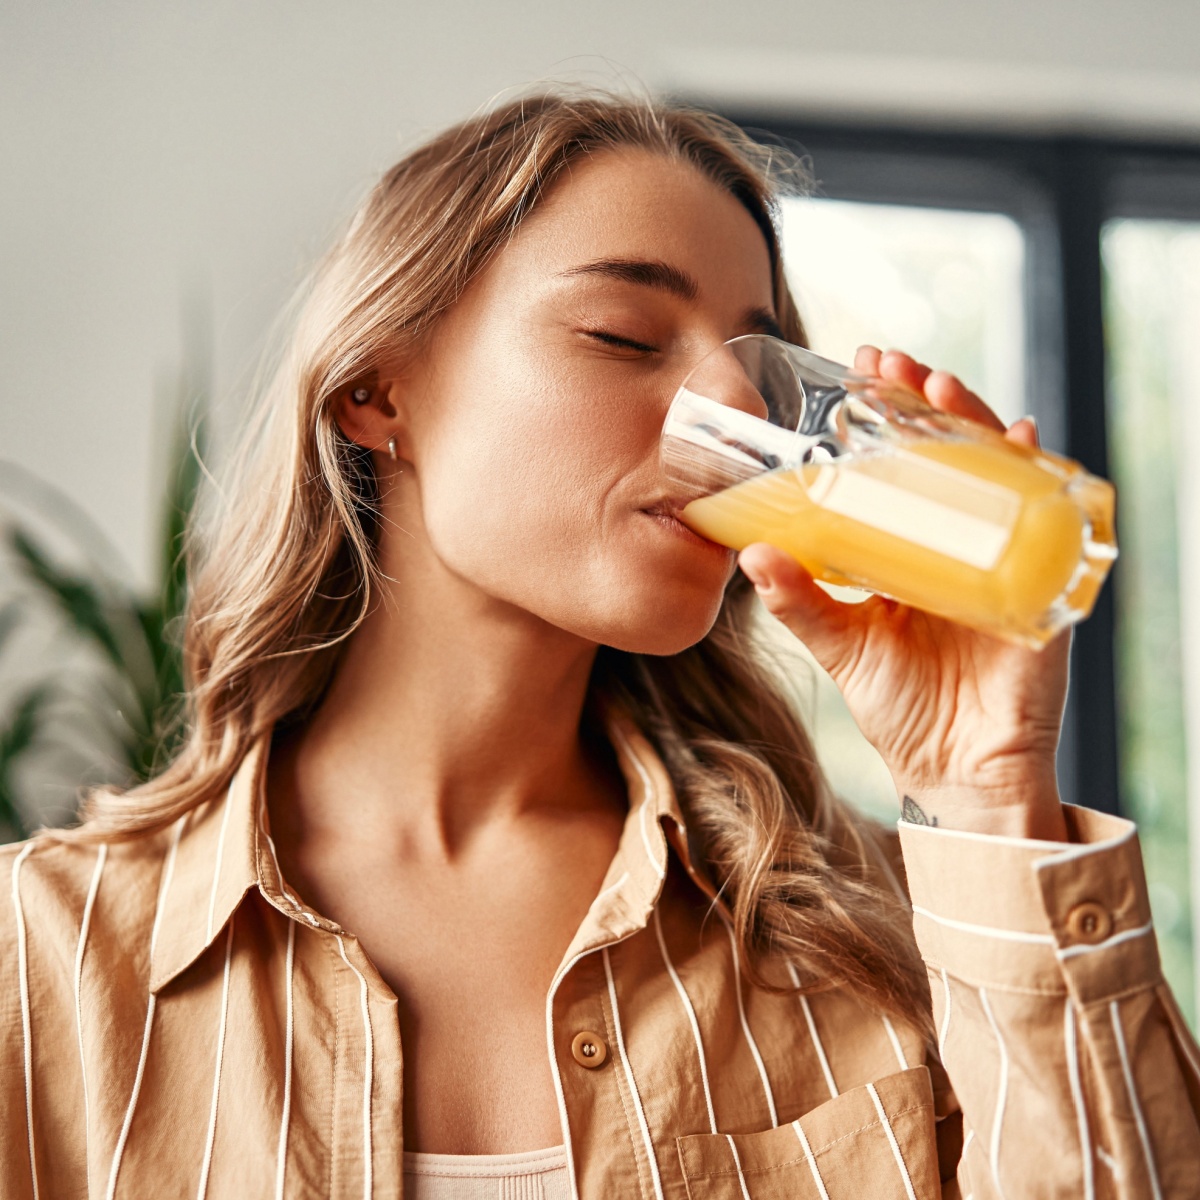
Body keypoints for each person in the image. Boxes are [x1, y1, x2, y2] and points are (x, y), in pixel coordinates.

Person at [3, 91, 1198, 1200]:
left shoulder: (888, 936)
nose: (724, 411)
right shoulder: (43, 960)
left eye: (756, 361)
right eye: (626, 334)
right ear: (378, 389)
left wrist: (989, 793)